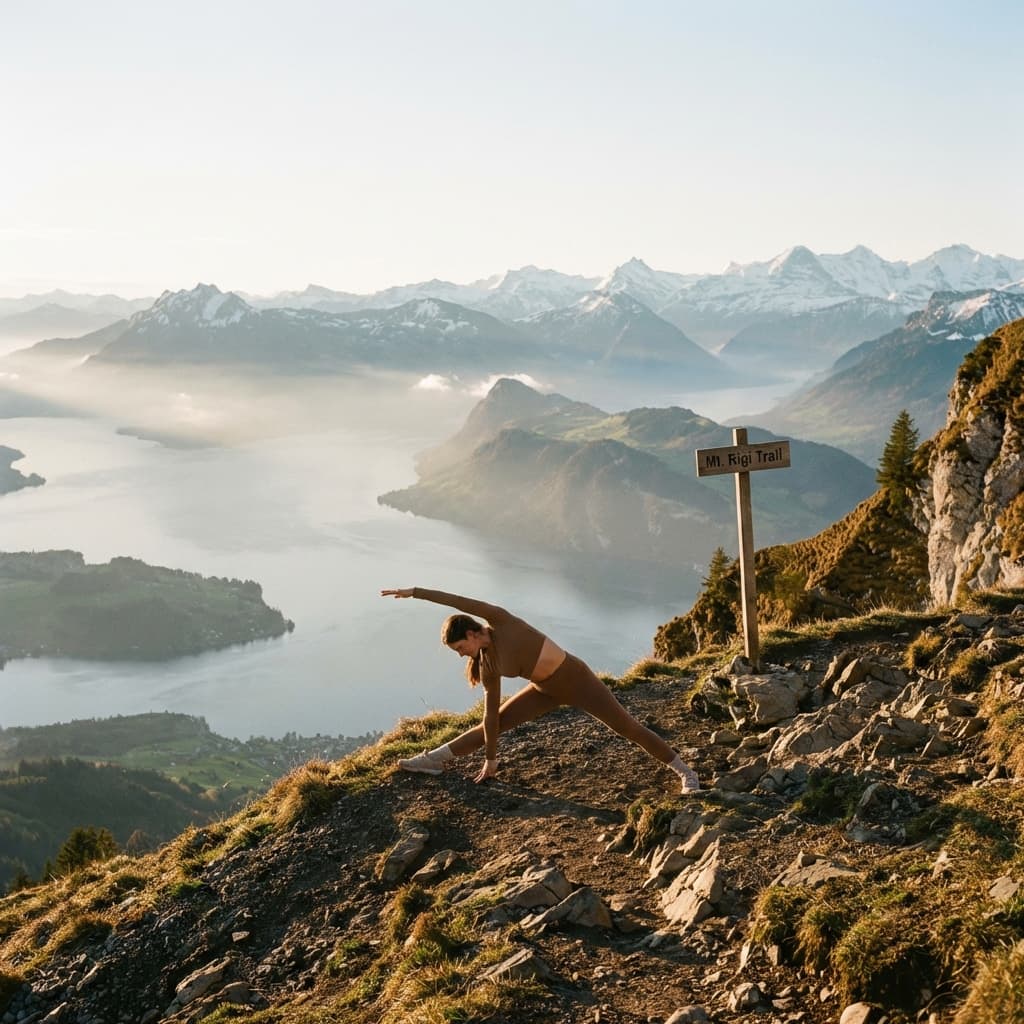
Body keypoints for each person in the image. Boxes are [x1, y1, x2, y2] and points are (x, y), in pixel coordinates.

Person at [379, 587, 701, 793]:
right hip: (544, 690)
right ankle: (432, 759)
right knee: (493, 724)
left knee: (626, 727)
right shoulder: (487, 664)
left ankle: (687, 774)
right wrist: (491, 759)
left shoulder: (501, 621)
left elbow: (461, 601)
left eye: (461, 646)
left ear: (474, 633)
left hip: (577, 681)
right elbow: (491, 717)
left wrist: (416, 593)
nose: (462, 654)